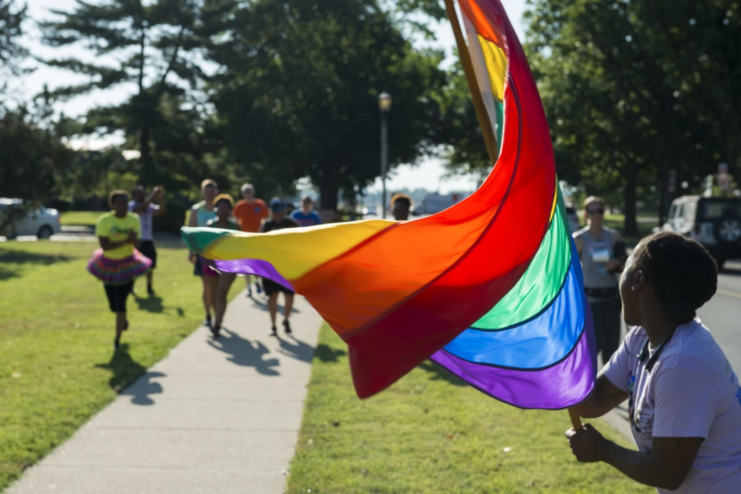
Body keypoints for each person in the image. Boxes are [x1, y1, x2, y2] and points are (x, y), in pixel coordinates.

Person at [565, 232, 741, 493]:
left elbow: (667, 473)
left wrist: (603, 449)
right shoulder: (642, 336)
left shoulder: (684, 364)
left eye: (625, 266)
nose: (620, 275)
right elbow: (593, 402)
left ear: (638, 280)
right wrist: (565, 342)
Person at [87, 190, 151, 350]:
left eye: (125, 202)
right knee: (113, 305)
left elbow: (138, 244)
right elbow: (105, 245)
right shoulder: (104, 220)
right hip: (108, 265)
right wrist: (125, 241)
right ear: (113, 205)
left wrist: (133, 240)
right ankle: (123, 320)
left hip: (129, 265)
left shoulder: (134, 219)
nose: (123, 206)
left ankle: (117, 340)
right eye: (119, 203)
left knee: (121, 302)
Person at [573, 196, 626, 361]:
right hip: (590, 300)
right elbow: (570, 271)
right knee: (594, 345)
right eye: (592, 211)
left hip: (611, 298)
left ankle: (609, 385)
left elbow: (627, 264)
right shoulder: (579, 239)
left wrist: (617, 263)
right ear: (585, 214)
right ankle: (591, 385)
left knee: (612, 348)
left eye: (600, 211)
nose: (597, 215)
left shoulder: (614, 236)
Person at [202, 194, 241, 338]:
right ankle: (216, 316)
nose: (223, 211)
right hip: (212, 264)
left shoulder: (235, 227)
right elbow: (204, 247)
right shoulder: (209, 226)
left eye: (226, 208)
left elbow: (242, 246)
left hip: (229, 265)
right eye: (220, 208)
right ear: (216, 209)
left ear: (230, 210)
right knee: (212, 294)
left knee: (221, 293)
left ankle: (217, 324)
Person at [261, 198, 298, 335]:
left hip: (288, 268)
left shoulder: (292, 224)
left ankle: (286, 319)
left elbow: (300, 243)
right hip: (270, 269)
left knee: (289, 296)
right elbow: (259, 245)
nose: (278, 212)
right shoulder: (266, 225)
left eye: (280, 209)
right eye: (275, 209)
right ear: (271, 211)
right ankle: (273, 326)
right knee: (272, 297)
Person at [188, 179, 219, 327]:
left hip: (219, 254)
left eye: (212, 192)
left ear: (216, 193)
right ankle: (208, 315)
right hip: (202, 253)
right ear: (202, 193)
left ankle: (217, 314)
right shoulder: (196, 209)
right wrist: (191, 252)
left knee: (218, 287)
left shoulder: (220, 209)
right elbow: (191, 232)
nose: (209, 194)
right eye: (207, 192)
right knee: (207, 285)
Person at [129, 185, 166, 295]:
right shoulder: (131, 206)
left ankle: (149, 286)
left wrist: (160, 198)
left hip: (148, 240)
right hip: (136, 240)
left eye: (142, 193)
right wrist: (153, 195)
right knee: (134, 265)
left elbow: (161, 211)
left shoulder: (149, 206)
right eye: (137, 194)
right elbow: (140, 208)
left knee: (150, 265)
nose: (140, 196)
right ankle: (131, 286)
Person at [233, 183, 269, 296]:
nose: (247, 193)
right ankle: (248, 287)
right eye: (245, 191)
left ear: (253, 192)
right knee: (246, 263)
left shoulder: (260, 204)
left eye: (249, 191)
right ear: (243, 193)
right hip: (244, 239)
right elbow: (236, 221)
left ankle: (257, 281)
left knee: (257, 263)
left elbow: (266, 219)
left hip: (257, 239)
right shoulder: (240, 205)